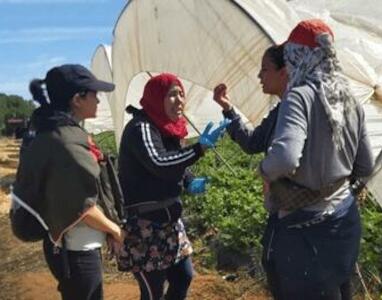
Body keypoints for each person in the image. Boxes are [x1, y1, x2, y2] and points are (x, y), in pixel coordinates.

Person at [259, 19, 374, 299]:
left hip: (305, 233)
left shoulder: (299, 97)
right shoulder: (350, 100)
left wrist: (264, 169)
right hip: (345, 222)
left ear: (298, 56)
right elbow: (365, 166)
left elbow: (286, 159)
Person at [13, 64, 125, 300]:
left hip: (71, 246)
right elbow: (82, 208)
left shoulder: (58, 133)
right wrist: (115, 231)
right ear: (77, 99)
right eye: (94, 94)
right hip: (76, 251)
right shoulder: (66, 144)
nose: (99, 100)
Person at [117, 73, 229, 300]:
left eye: (181, 94)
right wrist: (199, 149)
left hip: (170, 225)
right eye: (171, 94)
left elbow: (174, 160)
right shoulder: (142, 127)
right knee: (153, 292)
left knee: (184, 277)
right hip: (145, 227)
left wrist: (188, 181)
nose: (179, 100)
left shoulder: (170, 128)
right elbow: (159, 162)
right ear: (156, 98)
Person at [213, 44, 287, 156]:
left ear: (283, 73)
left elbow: (287, 161)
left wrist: (265, 168)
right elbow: (252, 143)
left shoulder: (297, 112)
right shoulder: (279, 111)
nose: (259, 75)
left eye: (265, 69)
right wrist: (228, 109)